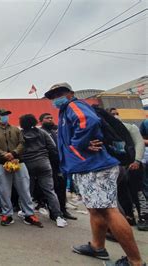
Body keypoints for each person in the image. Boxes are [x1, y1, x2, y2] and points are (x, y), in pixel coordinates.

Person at [45, 82, 144, 266]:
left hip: (95, 167)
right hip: (86, 167)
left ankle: (135, 261)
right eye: (52, 96)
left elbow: (87, 121)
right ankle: (97, 247)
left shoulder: (74, 105)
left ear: (70, 93)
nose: (55, 98)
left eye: (59, 93)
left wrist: (79, 144)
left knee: (108, 210)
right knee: (95, 209)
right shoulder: (66, 111)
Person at [0, 109, 42, 227]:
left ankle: (29, 214)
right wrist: (4, 154)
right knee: (4, 191)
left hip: (18, 162)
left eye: (6, 115)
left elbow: (22, 143)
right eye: (3, 115)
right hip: (1, 164)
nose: (5, 117)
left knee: (24, 189)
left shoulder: (16, 129)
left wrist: (14, 153)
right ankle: (7, 214)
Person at [20, 114, 68, 228]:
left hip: (28, 165)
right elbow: (52, 147)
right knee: (50, 191)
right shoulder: (42, 133)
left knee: (28, 191)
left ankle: (27, 212)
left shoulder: (20, 134)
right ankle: (58, 217)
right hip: (44, 164)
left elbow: (18, 149)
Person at [108, 108, 148, 231]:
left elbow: (139, 144)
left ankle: (144, 217)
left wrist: (137, 160)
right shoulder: (107, 131)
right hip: (118, 166)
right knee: (122, 192)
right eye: (112, 115)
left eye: (116, 114)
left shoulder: (131, 128)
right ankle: (129, 216)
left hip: (133, 164)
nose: (115, 116)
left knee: (138, 191)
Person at [39, 113, 77, 220]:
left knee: (62, 187)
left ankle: (63, 210)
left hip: (61, 163)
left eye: (51, 118)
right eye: (47, 118)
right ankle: (54, 212)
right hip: (49, 164)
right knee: (52, 188)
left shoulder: (54, 131)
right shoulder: (40, 132)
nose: (50, 120)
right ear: (41, 121)